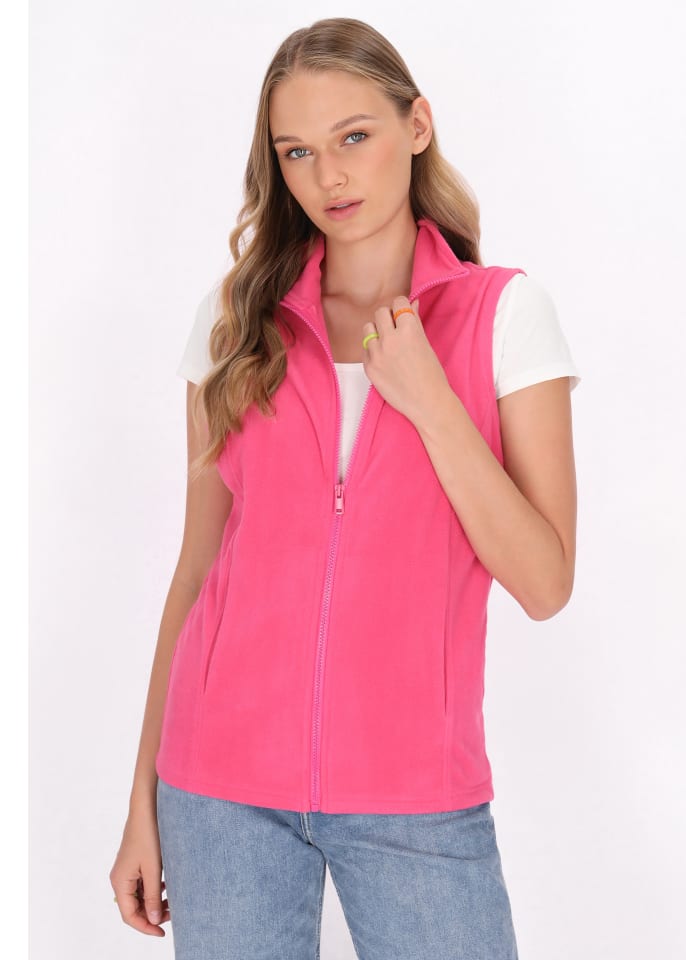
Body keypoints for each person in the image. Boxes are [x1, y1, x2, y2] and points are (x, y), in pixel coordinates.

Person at [109, 16, 580, 959]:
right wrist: (142, 802)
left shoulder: (504, 315)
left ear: (417, 125)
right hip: (219, 791)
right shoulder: (236, 321)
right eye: (297, 152)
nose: (329, 176)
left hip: (418, 799)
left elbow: (544, 581)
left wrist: (431, 400)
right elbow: (197, 571)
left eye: (354, 136)